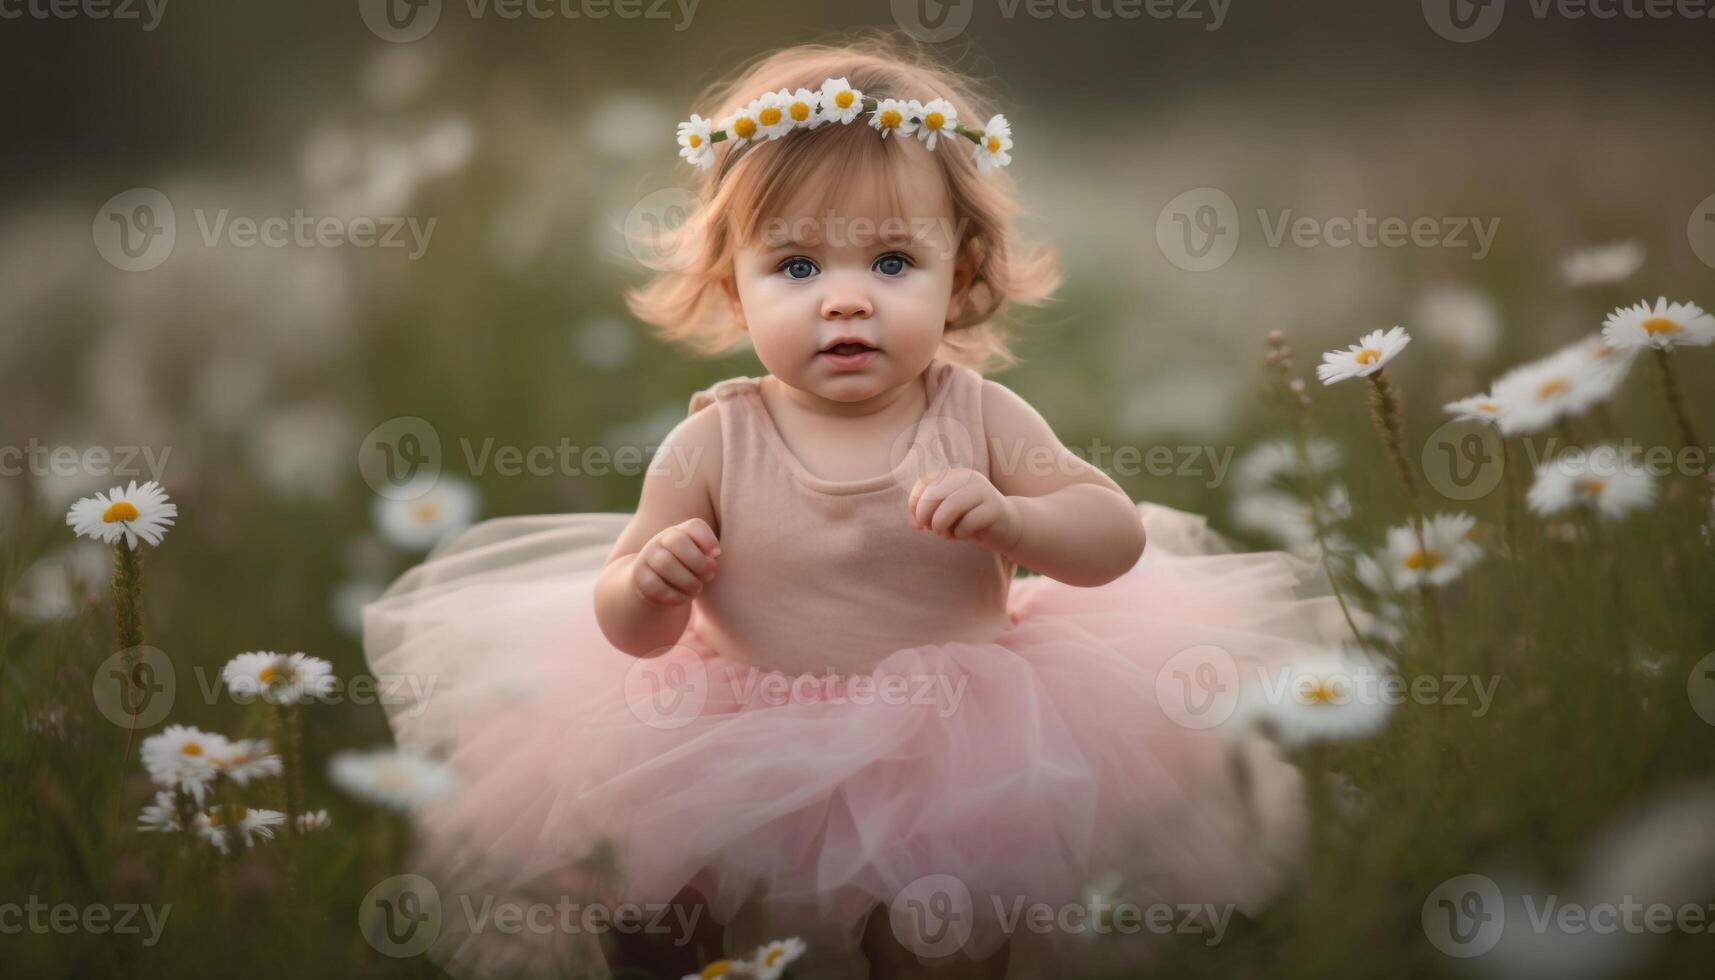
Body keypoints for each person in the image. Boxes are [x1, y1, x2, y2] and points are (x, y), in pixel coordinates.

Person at [364, 32, 1345, 980]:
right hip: (725, 734)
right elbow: (624, 619)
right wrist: (651, 581)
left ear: (958, 275)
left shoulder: (981, 415)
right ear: (729, 283)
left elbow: (1112, 535)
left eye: (888, 263)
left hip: (956, 743)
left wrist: (1017, 520)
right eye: (795, 266)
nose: (843, 300)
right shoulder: (711, 442)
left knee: (939, 941)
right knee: (656, 913)